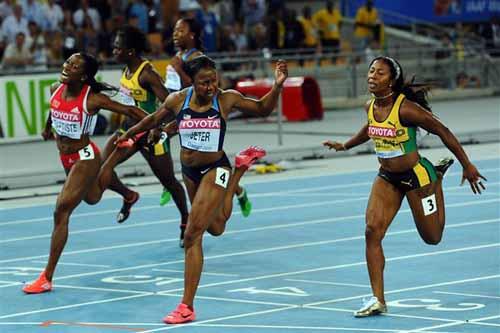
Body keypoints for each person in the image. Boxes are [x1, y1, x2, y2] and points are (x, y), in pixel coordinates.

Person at [116, 55, 288, 324]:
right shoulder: (177, 100)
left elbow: (263, 109)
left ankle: (186, 306)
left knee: (192, 235)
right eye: (204, 82)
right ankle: (240, 171)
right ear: (191, 82)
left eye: (213, 81)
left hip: (215, 169)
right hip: (190, 173)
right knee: (216, 228)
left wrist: (277, 86)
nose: (210, 87)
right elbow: (153, 120)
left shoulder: (226, 98)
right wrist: (128, 135)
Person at [323, 56, 486, 317]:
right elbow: (370, 129)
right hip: (387, 177)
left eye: (379, 73)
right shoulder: (370, 106)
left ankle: (437, 177)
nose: (372, 76)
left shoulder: (407, 110)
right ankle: (378, 299)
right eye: (371, 71)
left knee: (432, 238)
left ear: (392, 81)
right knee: (371, 231)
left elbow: (442, 130)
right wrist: (345, 145)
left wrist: (467, 165)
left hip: (417, 177)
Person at [22, 52, 147, 294]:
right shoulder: (54, 89)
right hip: (65, 157)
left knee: (61, 210)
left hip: (85, 157)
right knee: (92, 197)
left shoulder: (93, 99)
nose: (67, 66)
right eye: (68, 61)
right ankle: (127, 193)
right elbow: (54, 109)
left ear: (85, 76)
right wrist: (48, 127)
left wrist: (158, 126)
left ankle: (46, 277)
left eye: (75, 66)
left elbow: (130, 111)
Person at [99, 25, 190, 248]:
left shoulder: (147, 74)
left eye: (118, 48)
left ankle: (186, 221)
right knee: (102, 169)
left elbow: (171, 104)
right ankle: (129, 195)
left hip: (151, 134)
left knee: (169, 182)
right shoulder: (126, 70)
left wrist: (164, 130)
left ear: (130, 51)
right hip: (129, 129)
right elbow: (127, 100)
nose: (113, 50)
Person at [164, 17, 253, 219]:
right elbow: (173, 88)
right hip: (180, 111)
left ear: (191, 35)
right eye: (174, 31)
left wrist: (178, 69)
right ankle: (170, 182)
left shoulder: (196, 57)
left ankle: (236, 189)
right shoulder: (178, 56)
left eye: (180, 31)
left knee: (206, 158)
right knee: (162, 142)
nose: (175, 35)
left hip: (199, 113)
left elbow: (194, 86)